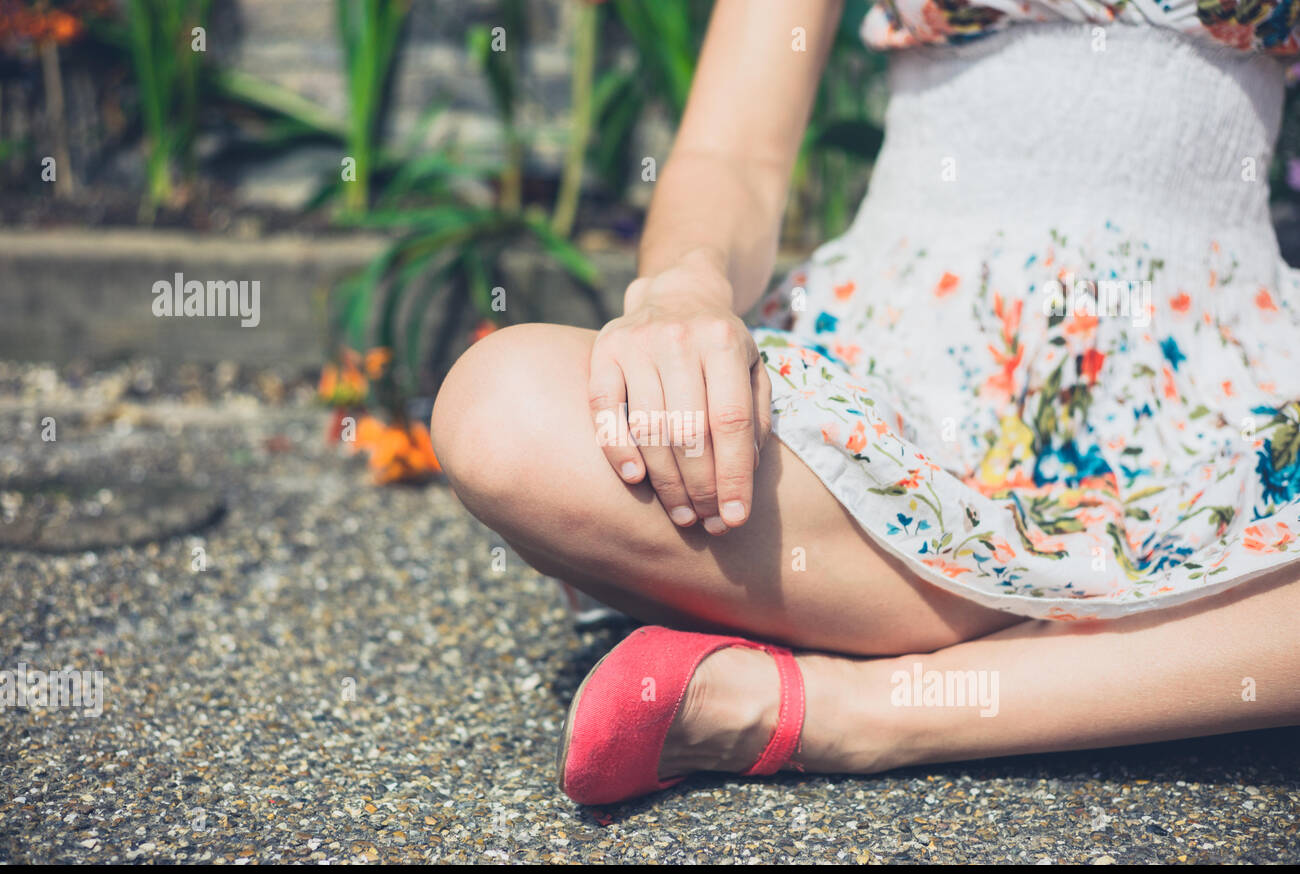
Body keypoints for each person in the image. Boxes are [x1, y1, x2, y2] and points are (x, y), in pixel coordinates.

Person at [432, 0, 1300, 805]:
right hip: (905, 368)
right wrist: (683, 292)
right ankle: (1176, 630)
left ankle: (865, 705)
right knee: (504, 412)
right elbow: (733, 155)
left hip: (1222, 388)